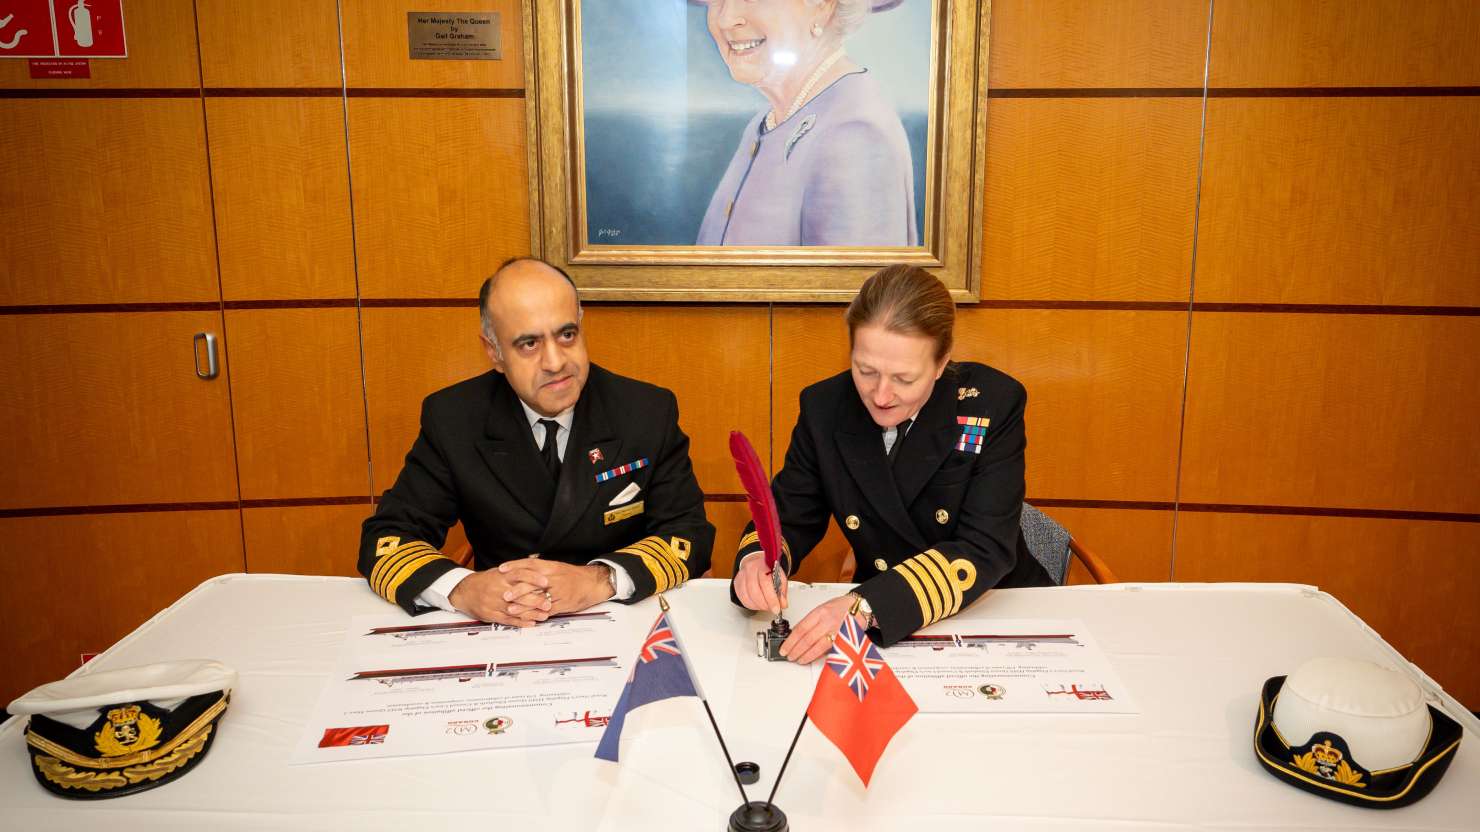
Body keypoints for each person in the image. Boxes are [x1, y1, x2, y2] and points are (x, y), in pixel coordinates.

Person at [359, 257, 714, 625]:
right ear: (494, 351)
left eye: (567, 335)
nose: (556, 362)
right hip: (504, 623)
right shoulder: (454, 419)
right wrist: (463, 589)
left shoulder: (644, 411)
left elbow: (687, 535)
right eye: (529, 343)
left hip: (618, 619)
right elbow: (387, 539)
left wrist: (600, 579)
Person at [731, 264, 1051, 662]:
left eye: (904, 379)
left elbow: (983, 546)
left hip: (988, 610)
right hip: (885, 623)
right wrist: (756, 562)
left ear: (940, 363)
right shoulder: (825, 408)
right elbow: (790, 515)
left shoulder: (992, 403)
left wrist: (863, 606)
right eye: (866, 371)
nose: (881, 396)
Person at [694, 0, 917, 246]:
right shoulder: (767, 121)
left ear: (823, 5)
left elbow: (855, 282)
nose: (726, 19)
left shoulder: (854, 135)